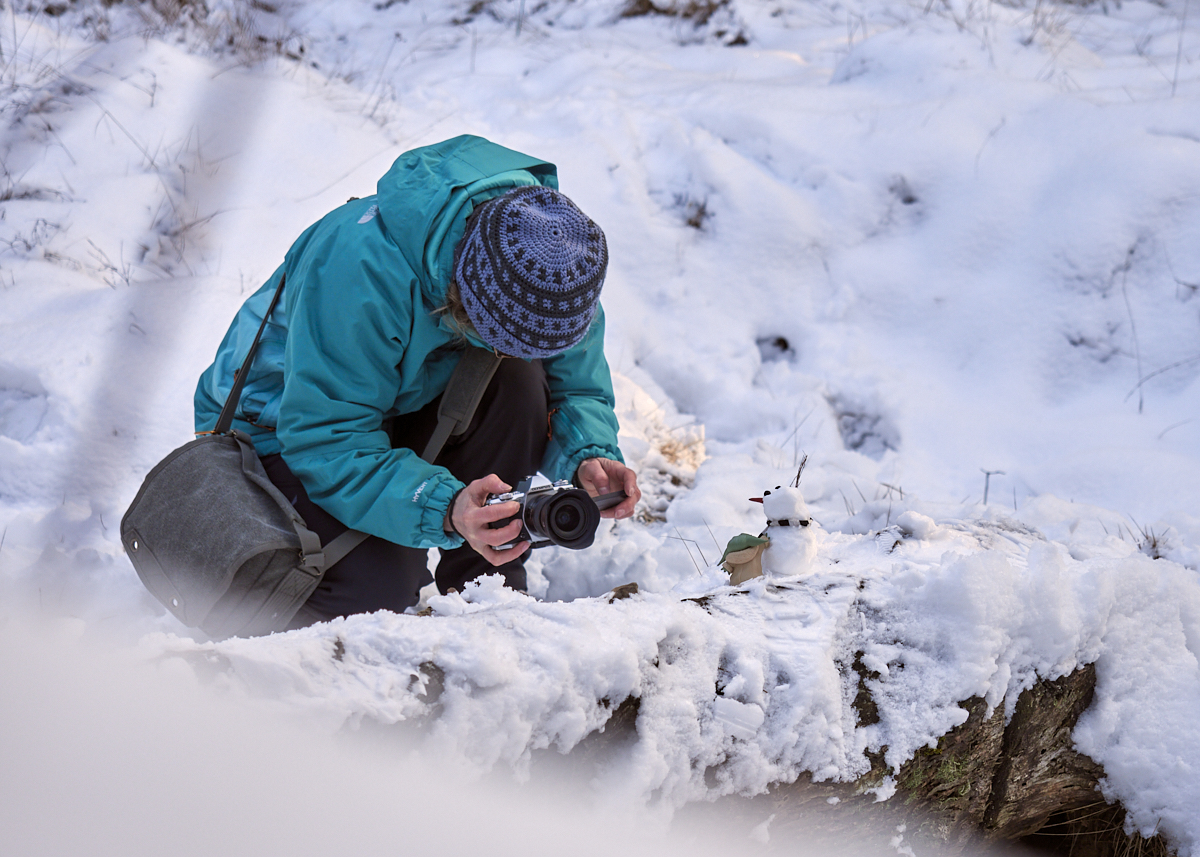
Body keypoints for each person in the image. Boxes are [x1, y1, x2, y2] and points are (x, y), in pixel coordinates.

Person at [194, 135, 640, 628]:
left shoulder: (556, 272)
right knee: (374, 602)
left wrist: (589, 454)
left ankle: (486, 590)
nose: (518, 352)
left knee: (518, 382)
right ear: (462, 291)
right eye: (501, 337)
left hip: (405, 402)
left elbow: (575, 386)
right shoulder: (359, 271)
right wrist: (443, 506)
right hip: (284, 428)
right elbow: (328, 437)